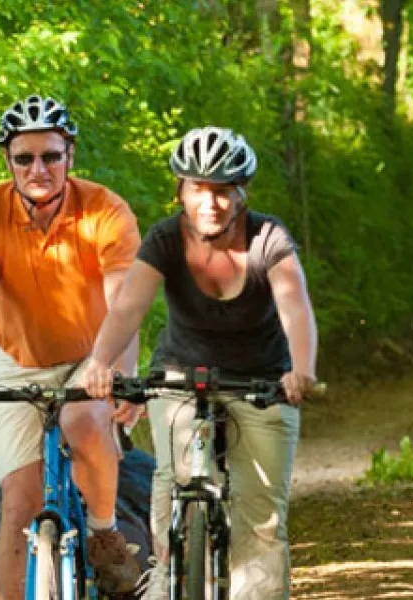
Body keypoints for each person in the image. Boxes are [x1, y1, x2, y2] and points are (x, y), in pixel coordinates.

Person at [78, 126, 319, 599]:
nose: (210, 203)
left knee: (261, 523)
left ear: (240, 194)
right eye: (197, 190)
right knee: (174, 480)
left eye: (222, 191)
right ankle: (167, 575)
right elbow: (128, 307)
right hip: (181, 375)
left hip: (262, 380)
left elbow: (295, 306)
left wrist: (301, 368)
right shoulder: (166, 238)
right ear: (180, 191)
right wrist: (99, 362)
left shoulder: (267, 237)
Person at [0, 94, 145, 598]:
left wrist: (120, 374)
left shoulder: (105, 209)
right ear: (7, 161)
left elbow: (124, 306)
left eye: (51, 155)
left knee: (80, 420)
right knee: (19, 502)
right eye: (24, 157)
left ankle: (103, 531)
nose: (38, 168)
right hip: (18, 361)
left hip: (93, 353)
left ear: (70, 155)